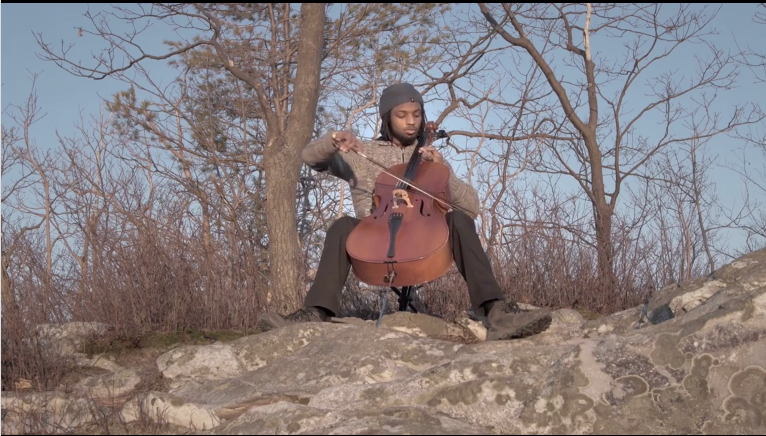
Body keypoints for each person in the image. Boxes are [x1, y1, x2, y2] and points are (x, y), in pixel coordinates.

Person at [257, 82, 552, 340]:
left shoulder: (429, 158)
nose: (411, 122)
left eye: (416, 114)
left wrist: (443, 171)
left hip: (424, 239)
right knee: (341, 226)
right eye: (402, 115)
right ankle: (316, 312)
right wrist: (334, 140)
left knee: (458, 219)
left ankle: (496, 310)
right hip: (373, 239)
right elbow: (310, 157)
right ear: (387, 119)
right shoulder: (363, 155)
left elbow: (472, 207)